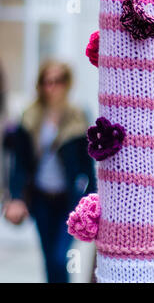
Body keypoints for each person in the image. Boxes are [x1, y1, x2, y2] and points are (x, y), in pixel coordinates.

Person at [2, 60, 96, 283]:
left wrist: (93, 198)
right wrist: (15, 197)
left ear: (67, 84)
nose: (51, 87)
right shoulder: (30, 117)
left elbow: (87, 164)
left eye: (57, 81)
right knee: (48, 260)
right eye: (47, 82)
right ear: (40, 84)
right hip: (41, 200)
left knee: (60, 257)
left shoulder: (78, 117)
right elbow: (20, 163)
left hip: (68, 200)